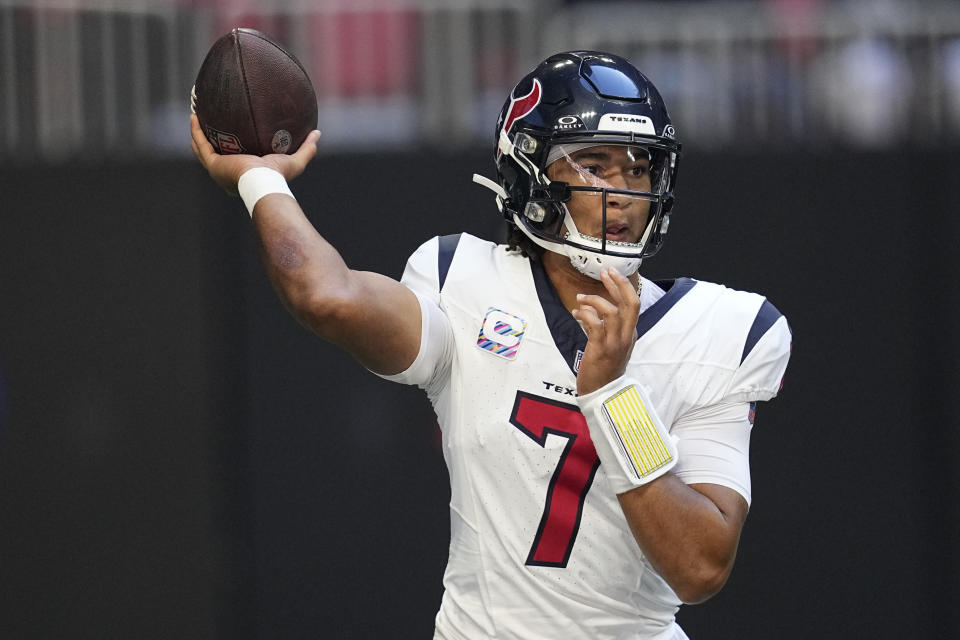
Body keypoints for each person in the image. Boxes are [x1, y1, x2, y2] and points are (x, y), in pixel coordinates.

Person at [191, 50, 791, 640]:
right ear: (531, 173)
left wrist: (613, 397)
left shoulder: (724, 329)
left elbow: (699, 567)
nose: (624, 193)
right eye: (594, 166)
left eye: (638, 168)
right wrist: (260, 178)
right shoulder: (464, 283)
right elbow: (326, 297)